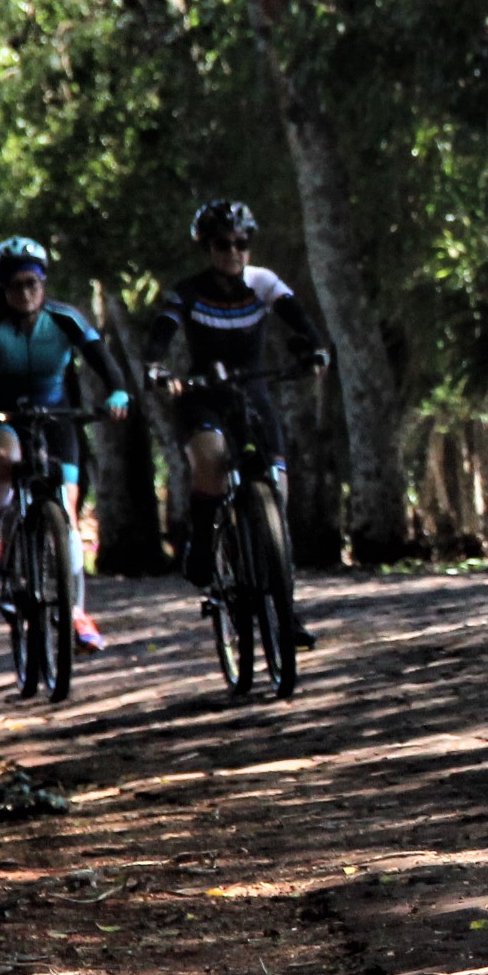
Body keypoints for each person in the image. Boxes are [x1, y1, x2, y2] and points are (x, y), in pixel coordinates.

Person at [144, 198, 331, 647]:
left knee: (277, 493)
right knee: (210, 460)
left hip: (252, 392)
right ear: (207, 248)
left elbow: (299, 319)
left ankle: (284, 610)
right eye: (222, 244)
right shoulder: (188, 292)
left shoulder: (262, 282)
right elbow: (161, 336)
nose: (233, 252)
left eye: (241, 243)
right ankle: (201, 544)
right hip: (203, 394)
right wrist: (155, 368)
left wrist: (316, 349)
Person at [0, 236, 133, 651]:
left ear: (43, 283)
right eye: (15, 286)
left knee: (67, 509)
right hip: (2, 412)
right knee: (2, 457)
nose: (25, 293)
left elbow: (102, 360)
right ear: (2, 289)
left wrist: (117, 392)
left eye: (32, 283)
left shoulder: (65, 318)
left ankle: (76, 610)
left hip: (55, 414)